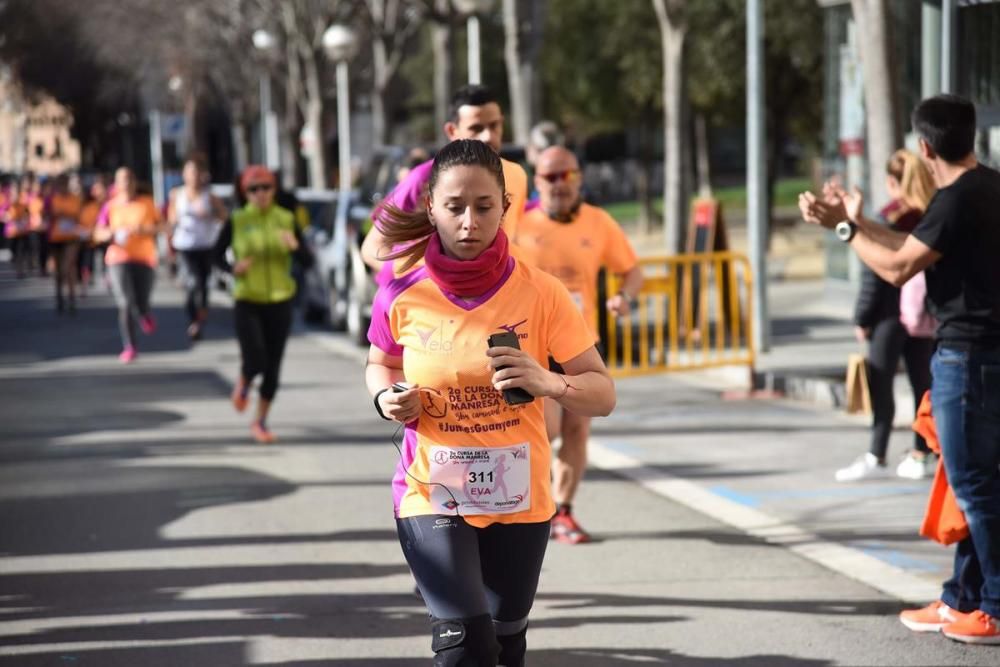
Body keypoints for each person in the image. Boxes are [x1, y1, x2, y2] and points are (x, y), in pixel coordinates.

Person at [366, 139, 615, 665]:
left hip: (518, 497)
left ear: (505, 207)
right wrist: (386, 396)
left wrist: (549, 383)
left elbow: (602, 393)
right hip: (430, 491)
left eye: (483, 207)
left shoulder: (541, 293)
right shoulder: (402, 291)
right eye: (455, 207)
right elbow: (380, 363)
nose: (468, 223)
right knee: (465, 644)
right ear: (431, 205)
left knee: (504, 645)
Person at [799, 94, 1000, 644]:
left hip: (968, 358)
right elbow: (912, 247)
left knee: (975, 488)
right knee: (971, 484)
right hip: (982, 357)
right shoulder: (987, 188)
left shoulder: (956, 198)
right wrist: (857, 219)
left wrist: (842, 228)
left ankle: (995, 607)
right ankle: (963, 597)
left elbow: (895, 267)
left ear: (924, 145)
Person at [514, 146, 643, 544]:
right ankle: (527, 508)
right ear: (537, 182)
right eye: (549, 177)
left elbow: (632, 270)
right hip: (535, 346)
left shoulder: (598, 222)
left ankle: (563, 512)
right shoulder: (518, 224)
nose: (559, 184)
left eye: (566, 175)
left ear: (579, 177)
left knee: (577, 433)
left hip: (582, 345)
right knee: (546, 428)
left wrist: (626, 298)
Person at [835, 150, 938, 482]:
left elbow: (874, 272)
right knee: (923, 385)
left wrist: (862, 317)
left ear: (893, 181)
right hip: (922, 317)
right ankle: (922, 452)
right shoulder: (931, 214)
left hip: (888, 317)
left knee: (881, 385)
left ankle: (876, 453)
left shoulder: (889, 218)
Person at [360, 84, 529, 275]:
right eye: (476, 128)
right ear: (451, 131)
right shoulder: (424, 177)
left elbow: (513, 240)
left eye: (494, 125)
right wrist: (420, 282)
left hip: (501, 298)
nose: (488, 136)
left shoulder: (517, 175)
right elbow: (372, 248)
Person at [213, 165, 313, 444]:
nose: (260, 194)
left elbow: (308, 261)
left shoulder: (286, 218)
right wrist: (232, 268)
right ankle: (244, 381)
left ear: (274, 190)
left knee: (273, 367)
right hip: (248, 299)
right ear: (245, 193)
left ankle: (260, 421)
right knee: (255, 358)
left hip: (280, 299)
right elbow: (216, 255)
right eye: (253, 189)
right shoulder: (237, 220)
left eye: (266, 188)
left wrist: (295, 246)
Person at [93, 167, 163, 363]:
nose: (126, 182)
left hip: (144, 257)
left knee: (142, 300)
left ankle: (144, 313)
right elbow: (98, 232)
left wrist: (145, 229)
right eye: (122, 179)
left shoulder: (147, 203)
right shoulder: (110, 206)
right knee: (124, 302)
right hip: (118, 257)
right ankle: (130, 346)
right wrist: (111, 234)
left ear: (135, 182)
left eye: (130, 178)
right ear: (116, 183)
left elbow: (162, 226)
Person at [168, 157, 227, 340]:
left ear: (201, 175)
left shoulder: (210, 196)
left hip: (206, 245)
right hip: (185, 245)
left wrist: (210, 213)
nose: (193, 176)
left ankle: (200, 320)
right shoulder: (177, 194)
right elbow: (171, 220)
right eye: (189, 172)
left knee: (203, 284)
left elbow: (224, 218)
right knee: (192, 282)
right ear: (184, 175)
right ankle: (193, 320)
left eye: (196, 172)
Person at [47, 174, 84, 314]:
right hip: (56, 237)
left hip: (71, 237)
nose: (62, 187)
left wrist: (68, 215)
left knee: (68, 267)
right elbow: (47, 215)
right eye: (60, 184)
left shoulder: (75, 199)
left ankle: (72, 298)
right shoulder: (53, 199)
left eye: (65, 184)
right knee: (58, 271)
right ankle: (59, 296)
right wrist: (55, 215)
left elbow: (80, 216)